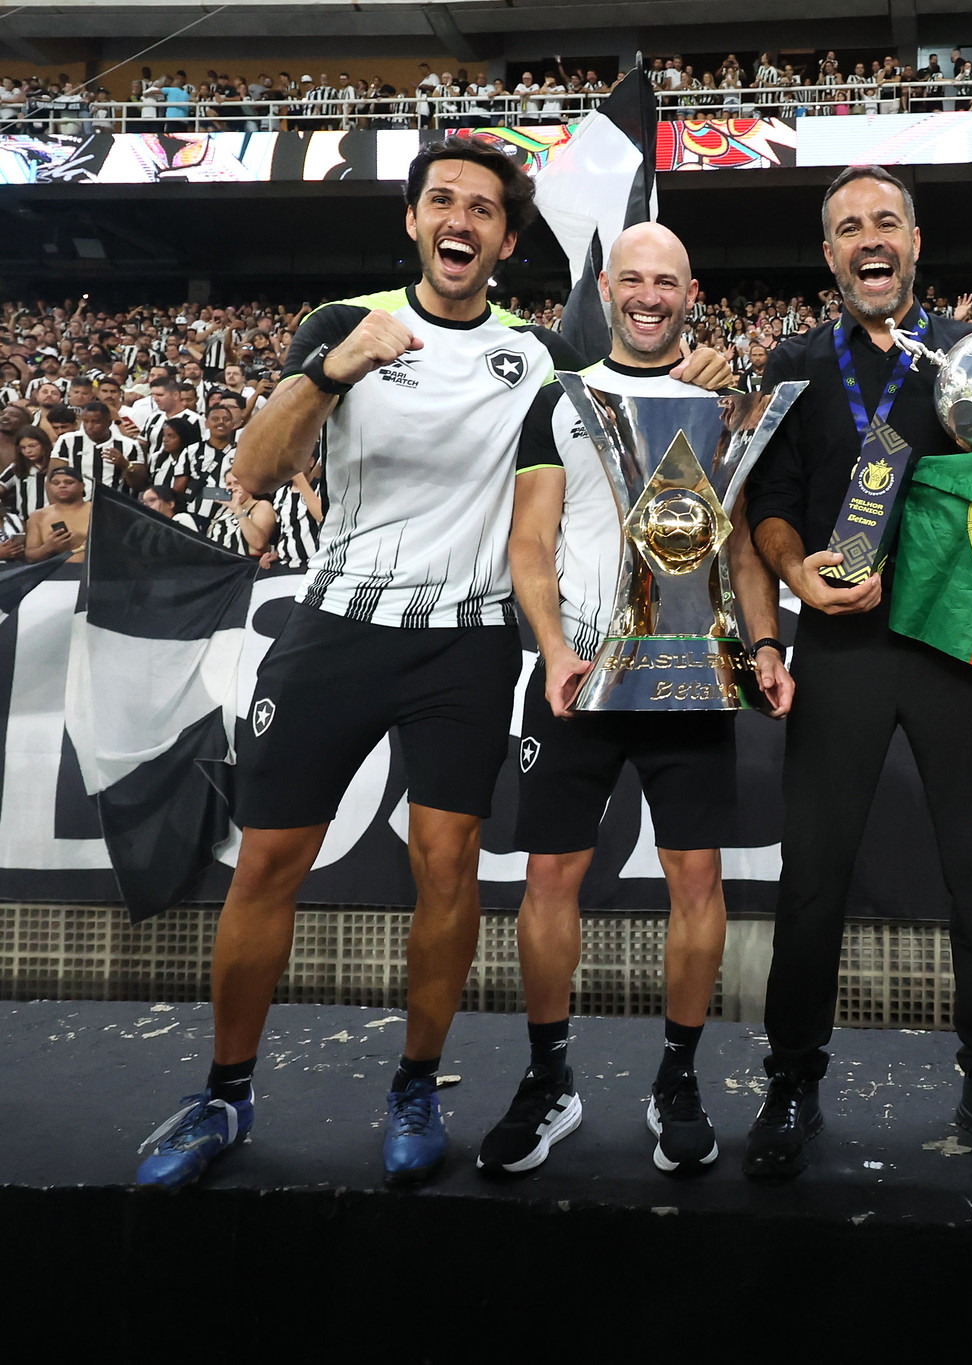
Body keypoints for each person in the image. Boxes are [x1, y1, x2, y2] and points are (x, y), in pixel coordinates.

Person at [131, 139, 732, 1192]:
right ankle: (225, 1092)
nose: (461, 220)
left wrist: (680, 383)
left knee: (448, 868)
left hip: (465, 641)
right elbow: (258, 468)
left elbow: (620, 421)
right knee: (268, 862)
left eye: (484, 209)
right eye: (441, 200)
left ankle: (417, 1083)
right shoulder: (344, 324)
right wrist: (330, 370)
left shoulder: (538, 357)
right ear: (413, 219)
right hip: (336, 626)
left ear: (504, 238)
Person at [741, 165, 972, 1180]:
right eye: (845, 229)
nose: (868, 240)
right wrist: (796, 576)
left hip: (956, 646)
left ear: (914, 243)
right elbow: (770, 506)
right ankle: (791, 1078)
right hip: (841, 646)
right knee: (813, 877)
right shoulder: (794, 362)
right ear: (829, 256)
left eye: (885, 222)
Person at [485, 222, 794, 1178]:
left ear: (690, 290)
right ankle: (549, 1078)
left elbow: (739, 545)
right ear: (607, 288)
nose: (650, 295)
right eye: (634, 279)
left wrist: (768, 644)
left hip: (689, 675)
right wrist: (552, 649)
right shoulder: (559, 401)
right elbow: (530, 540)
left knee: (697, 880)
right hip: (579, 674)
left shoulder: (715, 405)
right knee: (549, 880)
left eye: (667, 281)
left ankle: (679, 1076)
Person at [24, 463, 88, 562]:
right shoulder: (38, 516)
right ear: (49, 487)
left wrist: (86, 541)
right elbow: (30, 556)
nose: (62, 486)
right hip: (53, 573)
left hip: (93, 572)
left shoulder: (99, 511)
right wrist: (48, 547)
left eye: (69, 482)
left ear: (82, 486)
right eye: (55, 483)